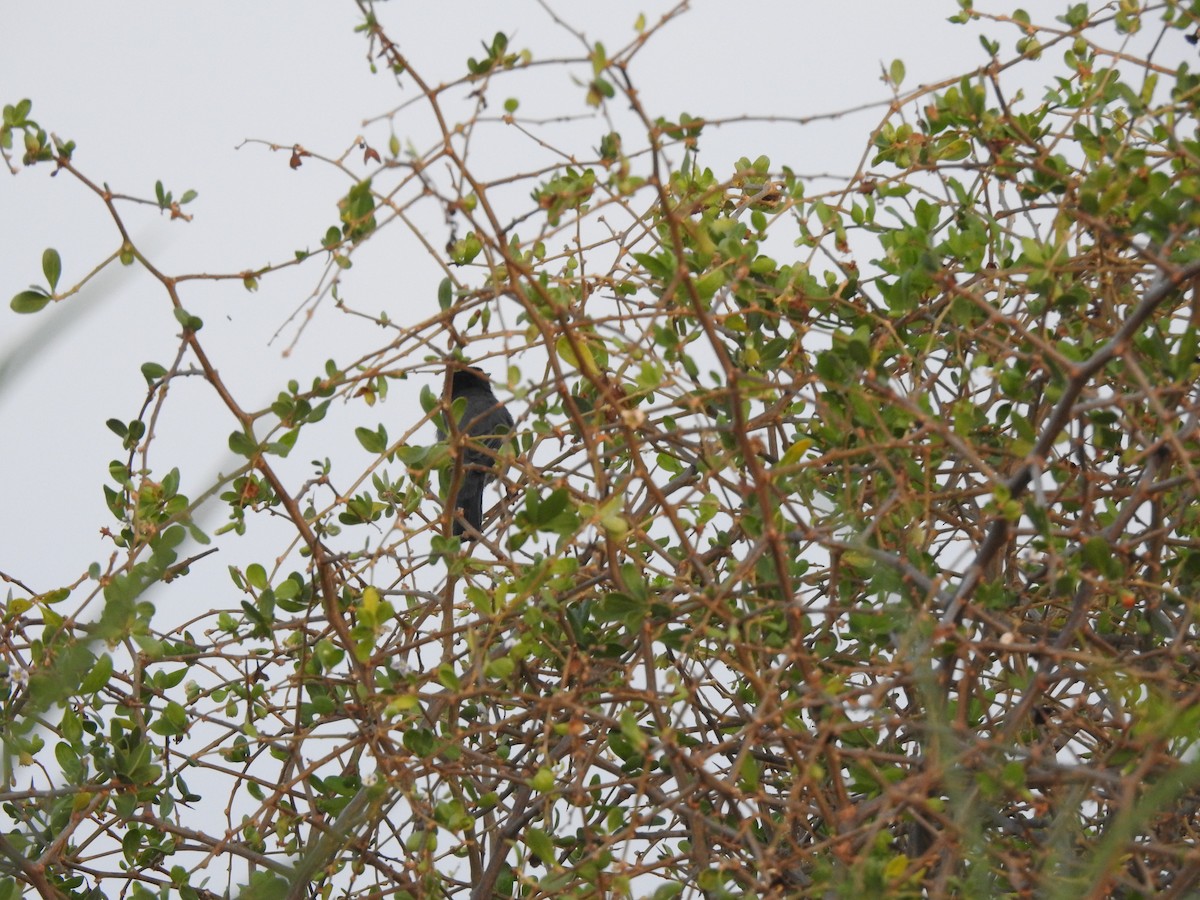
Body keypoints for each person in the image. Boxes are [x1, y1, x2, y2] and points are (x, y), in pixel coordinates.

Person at [436, 366, 513, 538]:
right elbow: (505, 440)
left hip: (460, 466)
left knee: (466, 488)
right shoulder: (496, 408)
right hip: (488, 461)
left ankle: (462, 527)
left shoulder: (448, 414)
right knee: (472, 485)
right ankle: (465, 526)